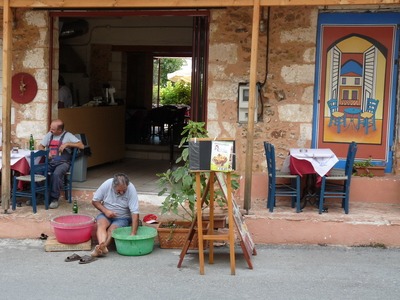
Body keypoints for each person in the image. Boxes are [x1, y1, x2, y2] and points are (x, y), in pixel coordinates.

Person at [91, 173, 140, 257]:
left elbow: (135, 213)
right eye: (118, 190)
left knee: (112, 229)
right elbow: (95, 201)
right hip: (106, 214)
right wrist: (106, 211)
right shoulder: (107, 184)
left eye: (124, 190)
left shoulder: (131, 189)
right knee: (101, 224)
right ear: (113, 186)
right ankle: (101, 246)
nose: (121, 192)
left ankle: (102, 247)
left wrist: (133, 234)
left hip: (122, 218)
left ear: (127, 185)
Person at [39, 119, 84, 209]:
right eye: (51, 128)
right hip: (51, 162)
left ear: (60, 130)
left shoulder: (68, 135)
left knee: (56, 174)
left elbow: (81, 145)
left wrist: (67, 144)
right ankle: (40, 195)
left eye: (53, 129)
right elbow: (40, 146)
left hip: (63, 163)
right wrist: (46, 152)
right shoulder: (49, 134)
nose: (50, 130)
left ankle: (54, 199)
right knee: (36, 171)